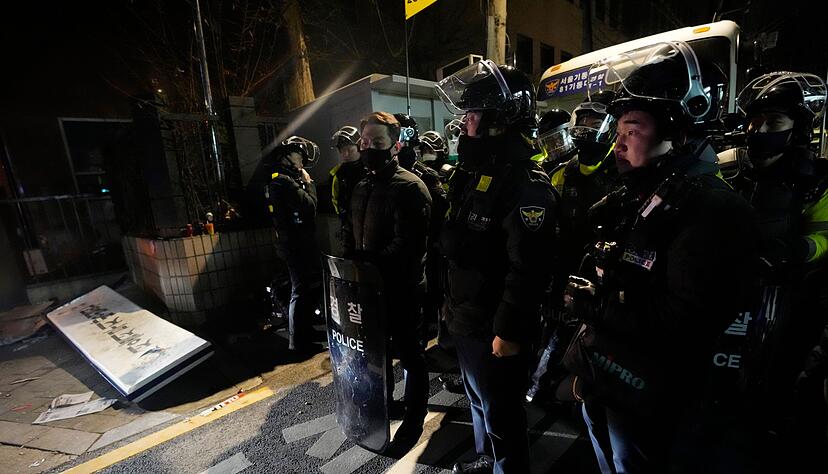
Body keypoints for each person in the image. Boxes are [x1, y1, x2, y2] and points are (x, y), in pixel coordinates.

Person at [565, 41, 759, 472]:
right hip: (611, 381)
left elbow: (684, 323)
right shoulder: (646, 193)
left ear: (681, 130)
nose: (617, 145)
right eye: (616, 133)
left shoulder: (714, 211)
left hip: (652, 400)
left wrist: (597, 308)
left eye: (631, 131)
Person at [436, 60, 558, 473]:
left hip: (494, 328)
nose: (464, 124)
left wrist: (509, 331)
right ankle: (488, 462)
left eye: (472, 115)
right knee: (477, 402)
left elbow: (528, 270)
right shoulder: (473, 174)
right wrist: (449, 308)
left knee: (502, 417)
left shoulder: (526, 184)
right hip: (467, 319)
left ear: (497, 121)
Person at [728, 71, 828, 469]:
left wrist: (794, 251)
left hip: (784, 299)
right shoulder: (733, 169)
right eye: (755, 122)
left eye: (773, 122)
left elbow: (823, 239)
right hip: (730, 291)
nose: (759, 130)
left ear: (798, 127)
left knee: (771, 386)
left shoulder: (816, 180)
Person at [346, 111, 432, 451]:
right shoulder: (361, 185)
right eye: (364, 142)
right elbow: (350, 232)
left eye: (377, 143)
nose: (368, 148)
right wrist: (351, 263)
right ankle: (386, 406)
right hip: (368, 291)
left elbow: (409, 245)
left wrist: (371, 264)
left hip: (403, 289)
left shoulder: (410, 187)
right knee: (374, 353)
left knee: (411, 355)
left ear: (395, 146)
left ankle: (414, 419)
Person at [526, 91, 619, 404]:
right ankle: (543, 386)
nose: (587, 128)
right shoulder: (563, 173)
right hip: (566, 270)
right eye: (584, 120)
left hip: (607, 278)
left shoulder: (622, 173)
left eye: (595, 121)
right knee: (557, 332)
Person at [394, 114, 450, 347]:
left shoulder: (426, 176)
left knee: (430, 296)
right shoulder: (379, 176)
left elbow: (442, 211)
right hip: (396, 253)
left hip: (426, 251)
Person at [264, 136, 322, 351]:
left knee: (306, 287)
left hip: (296, 242)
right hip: (295, 244)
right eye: (300, 157)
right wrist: (309, 183)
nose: (302, 164)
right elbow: (310, 206)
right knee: (301, 289)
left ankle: (304, 330)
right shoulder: (283, 181)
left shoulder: (283, 180)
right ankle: (298, 340)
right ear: (288, 156)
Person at [328, 125, 366, 253]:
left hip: (370, 226)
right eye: (342, 150)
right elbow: (336, 200)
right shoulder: (338, 174)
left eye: (349, 149)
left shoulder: (370, 169)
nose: (345, 154)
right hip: (349, 228)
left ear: (359, 147)